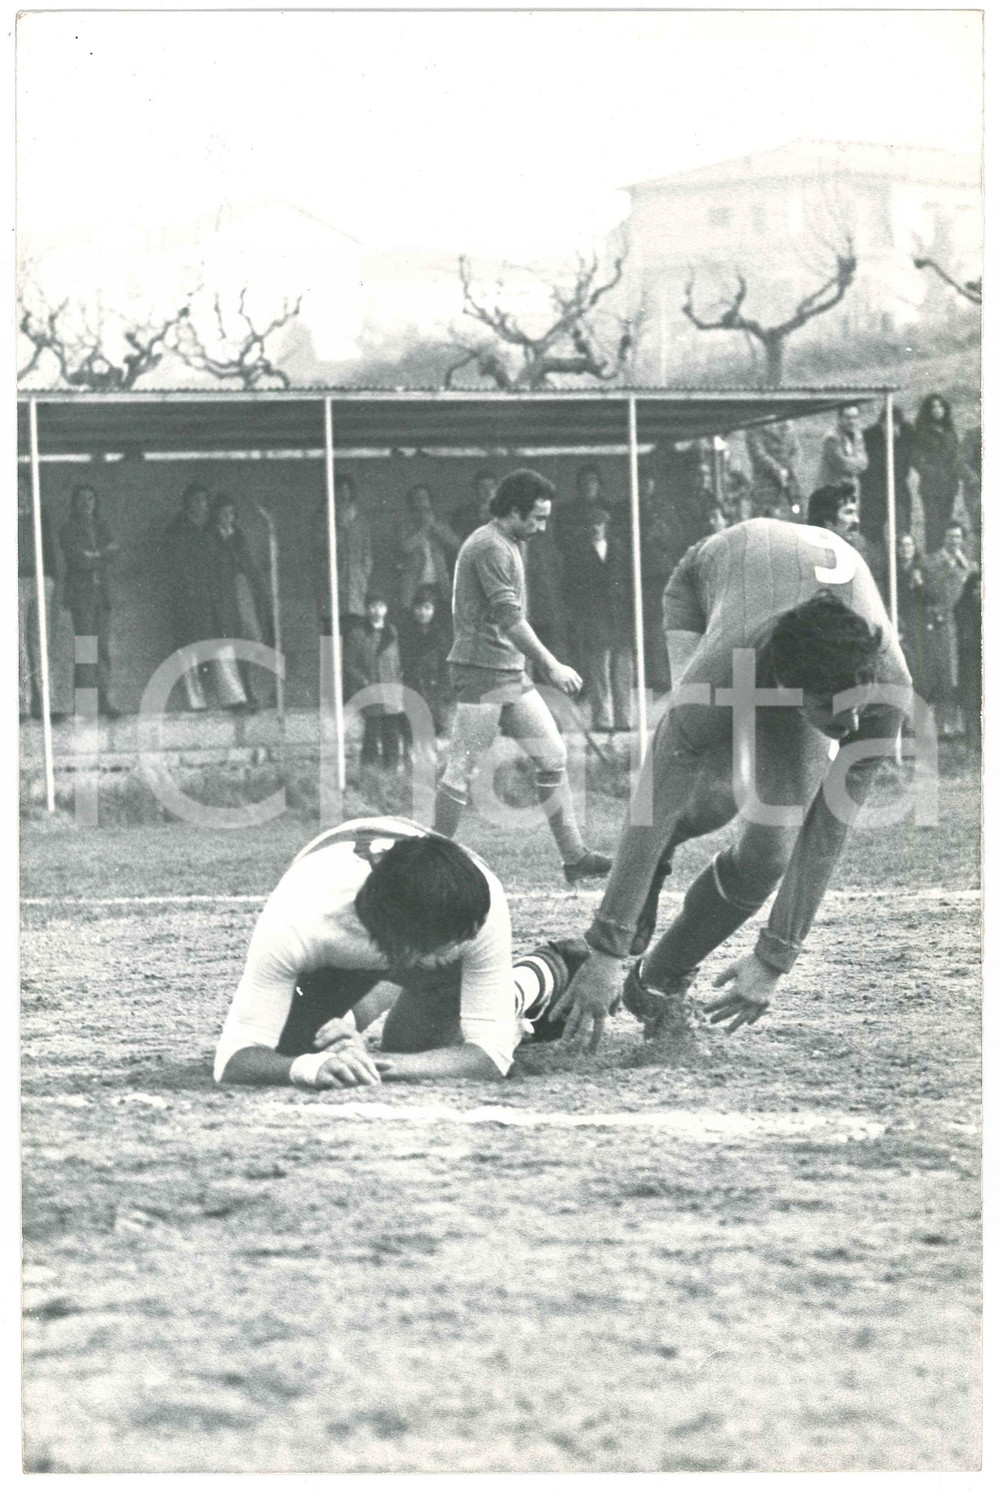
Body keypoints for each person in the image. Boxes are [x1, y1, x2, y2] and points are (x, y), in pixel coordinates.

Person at [550, 516, 910, 1048]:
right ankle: (645, 890)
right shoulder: (726, 667)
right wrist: (605, 950)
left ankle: (659, 976)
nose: (854, 728)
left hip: (784, 609)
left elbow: (828, 830)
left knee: (771, 849)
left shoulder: (887, 686)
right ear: (788, 686)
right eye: (836, 711)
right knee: (709, 795)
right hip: (707, 586)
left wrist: (774, 957)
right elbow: (656, 796)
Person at [213, 817, 589, 1089]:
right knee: (294, 1049)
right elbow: (234, 1061)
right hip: (355, 936)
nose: (456, 951)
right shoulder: (298, 921)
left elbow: (489, 1058)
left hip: (402, 926)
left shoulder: (479, 901)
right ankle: (522, 984)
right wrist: (310, 1067)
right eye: (444, 948)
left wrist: (374, 1063)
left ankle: (532, 977)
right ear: (405, 952)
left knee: (419, 1048)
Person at [433, 469, 611, 883]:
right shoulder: (490, 546)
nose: (542, 527)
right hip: (482, 671)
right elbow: (509, 618)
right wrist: (551, 664)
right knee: (462, 769)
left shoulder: (508, 541)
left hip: (508, 670)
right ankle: (430, 863)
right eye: (537, 518)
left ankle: (574, 857)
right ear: (513, 511)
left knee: (553, 756)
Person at [563, 506, 633, 734]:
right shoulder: (578, 553)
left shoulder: (620, 550)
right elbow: (570, 587)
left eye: (599, 523)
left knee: (622, 667)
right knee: (598, 667)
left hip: (619, 613)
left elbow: (630, 581)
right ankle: (602, 719)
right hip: (594, 615)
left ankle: (623, 719)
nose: (595, 527)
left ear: (606, 525)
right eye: (591, 523)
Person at [59, 484, 120, 717]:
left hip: (101, 596)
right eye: (82, 499)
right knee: (86, 647)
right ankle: (85, 705)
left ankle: (103, 701)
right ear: (75, 504)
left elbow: (114, 551)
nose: (87, 504)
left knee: (102, 648)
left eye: (91, 499)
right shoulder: (68, 529)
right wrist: (99, 555)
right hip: (81, 597)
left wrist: (94, 555)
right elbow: (77, 560)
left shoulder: (102, 526)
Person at [210, 494, 273, 710]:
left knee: (246, 640)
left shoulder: (238, 536)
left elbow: (248, 564)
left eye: (231, 513)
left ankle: (248, 690)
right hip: (222, 595)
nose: (228, 518)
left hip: (241, 592)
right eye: (223, 513)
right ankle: (233, 696)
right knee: (226, 643)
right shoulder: (211, 536)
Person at [17, 473, 73, 720]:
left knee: (42, 642)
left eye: (22, 488)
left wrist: (52, 579)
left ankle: (50, 704)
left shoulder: (40, 514)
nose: (19, 493)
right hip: (14, 581)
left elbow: (49, 549)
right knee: (16, 644)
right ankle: (22, 705)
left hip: (41, 579)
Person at [165, 482, 222, 711]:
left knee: (210, 647)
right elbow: (176, 566)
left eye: (204, 500)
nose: (201, 504)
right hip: (187, 598)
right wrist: (188, 589)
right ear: (187, 502)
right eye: (196, 499)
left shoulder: (211, 528)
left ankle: (213, 695)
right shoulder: (178, 529)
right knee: (188, 648)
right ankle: (194, 698)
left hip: (209, 598)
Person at [343, 592, 408, 769]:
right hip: (371, 689)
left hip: (391, 689)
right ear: (366, 609)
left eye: (380, 606)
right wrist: (363, 681)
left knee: (392, 735)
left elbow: (398, 658)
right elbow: (348, 663)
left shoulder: (392, 631)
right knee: (371, 734)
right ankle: (369, 773)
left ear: (386, 609)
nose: (376, 611)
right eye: (372, 606)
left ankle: (391, 771)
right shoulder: (358, 633)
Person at [924, 520, 974, 738]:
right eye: (950, 536)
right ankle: (939, 724)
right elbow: (928, 592)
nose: (954, 541)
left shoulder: (971, 567)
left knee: (962, 675)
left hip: (964, 628)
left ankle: (960, 724)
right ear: (944, 538)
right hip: (940, 625)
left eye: (958, 537)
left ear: (963, 539)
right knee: (942, 674)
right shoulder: (931, 562)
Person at [312, 474, 373, 639]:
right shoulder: (321, 519)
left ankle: (349, 665)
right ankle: (329, 665)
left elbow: (366, 551)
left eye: (346, 490)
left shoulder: (360, 520)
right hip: (331, 579)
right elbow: (318, 548)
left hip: (355, 581)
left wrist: (363, 574)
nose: (342, 495)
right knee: (330, 628)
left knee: (353, 628)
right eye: (338, 491)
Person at [398, 583, 455, 738]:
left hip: (434, 690)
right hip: (412, 686)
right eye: (418, 608)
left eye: (427, 608)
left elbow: (446, 667)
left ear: (434, 610)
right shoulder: (406, 634)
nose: (422, 613)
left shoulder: (441, 637)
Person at [807, 483, 886, 594]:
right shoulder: (806, 556)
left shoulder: (857, 551)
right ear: (827, 519)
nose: (856, 520)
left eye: (855, 513)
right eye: (849, 512)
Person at [860, 403, 916, 547]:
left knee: (901, 528)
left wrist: (896, 440)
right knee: (873, 532)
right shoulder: (869, 437)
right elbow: (866, 468)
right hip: (873, 491)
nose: (888, 428)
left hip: (898, 488)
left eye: (894, 424)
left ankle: (900, 560)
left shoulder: (906, 436)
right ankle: (876, 562)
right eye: (885, 424)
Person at [397, 484, 461, 611]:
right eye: (417, 498)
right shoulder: (405, 526)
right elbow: (405, 547)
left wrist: (435, 527)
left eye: (424, 498)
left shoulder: (440, 524)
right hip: (414, 584)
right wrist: (424, 528)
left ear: (430, 501)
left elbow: (457, 545)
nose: (421, 502)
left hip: (439, 583)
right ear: (411, 503)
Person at [913, 394, 963, 554]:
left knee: (946, 524)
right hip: (931, 486)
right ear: (927, 410)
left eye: (940, 406)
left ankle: (947, 559)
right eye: (933, 407)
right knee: (933, 525)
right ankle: (932, 559)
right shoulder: (921, 431)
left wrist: (954, 472)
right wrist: (930, 471)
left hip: (949, 484)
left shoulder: (950, 430)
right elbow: (916, 457)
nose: (937, 410)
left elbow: (957, 453)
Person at [745, 422, 803, 518]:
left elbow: (796, 450)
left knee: (794, 515)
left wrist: (789, 469)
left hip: (790, 482)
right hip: (765, 484)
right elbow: (758, 454)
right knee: (764, 520)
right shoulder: (754, 426)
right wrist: (778, 470)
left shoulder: (786, 424)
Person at [952, 570, 981, 756]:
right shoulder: (963, 608)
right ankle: (972, 741)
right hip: (970, 660)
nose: (979, 591)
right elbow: (967, 638)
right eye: (975, 588)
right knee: (971, 700)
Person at [817, 404, 868, 492]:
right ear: (840, 419)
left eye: (855, 417)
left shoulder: (857, 436)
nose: (852, 421)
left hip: (851, 489)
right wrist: (857, 462)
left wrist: (857, 462)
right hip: (832, 489)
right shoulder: (832, 437)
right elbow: (843, 464)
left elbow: (864, 463)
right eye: (848, 417)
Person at [451, 470, 498, 544]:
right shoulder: (463, 513)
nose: (488, 491)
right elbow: (456, 538)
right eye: (483, 487)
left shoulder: (503, 512)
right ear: (475, 489)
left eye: (491, 487)